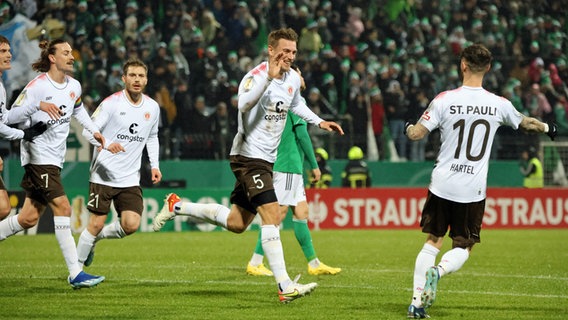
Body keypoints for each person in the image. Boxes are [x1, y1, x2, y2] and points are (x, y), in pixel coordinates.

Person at [152, 28, 344, 303]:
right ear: (270, 49)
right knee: (271, 215)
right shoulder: (255, 76)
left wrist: (319, 121)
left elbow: (297, 105)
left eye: (293, 51)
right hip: (247, 157)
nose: (289, 56)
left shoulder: (291, 78)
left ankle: (177, 206)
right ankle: (285, 286)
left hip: (265, 160)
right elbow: (242, 104)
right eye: (284, 51)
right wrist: (268, 78)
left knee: (237, 223)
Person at [404, 44, 557, 319]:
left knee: (433, 240)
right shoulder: (499, 104)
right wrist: (549, 128)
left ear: (462, 65)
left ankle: (416, 303)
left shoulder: (444, 99)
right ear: (487, 67)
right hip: (471, 189)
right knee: (464, 245)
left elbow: (416, 134)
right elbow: (527, 124)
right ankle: (438, 272)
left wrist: (407, 127)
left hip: (442, 184)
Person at [0, 39, 107, 289]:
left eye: (72, 53)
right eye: (66, 53)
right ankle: (75, 273)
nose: (71, 57)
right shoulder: (37, 87)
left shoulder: (74, 86)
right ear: (52, 57)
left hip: (54, 158)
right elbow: (11, 117)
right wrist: (37, 105)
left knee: (27, 218)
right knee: (63, 207)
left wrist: (95, 132)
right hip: (38, 157)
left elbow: (78, 111)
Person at [246, 65, 341, 277]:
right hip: (288, 164)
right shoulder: (294, 99)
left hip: (290, 165)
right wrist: (314, 165)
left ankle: (314, 263)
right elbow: (303, 135)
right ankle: (255, 262)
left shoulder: (284, 99)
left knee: (301, 212)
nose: (301, 77)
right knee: (276, 215)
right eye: (298, 73)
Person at [76, 58, 162, 270]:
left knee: (131, 224)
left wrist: (155, 165)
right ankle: (75, 269)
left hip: (130, 178)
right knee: (95, 223)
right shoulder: (111, 103)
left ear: (146, 80)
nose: (136, 79)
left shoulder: (152, 107)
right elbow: (88, 131)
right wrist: (106, 144)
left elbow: (152, 137)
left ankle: (95, 240)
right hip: (103, 175)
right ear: (123, 78)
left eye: (141, 76)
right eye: (132, 75)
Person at [0, 35, 52, 220]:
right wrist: (23, 134)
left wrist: (36, 106)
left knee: (3, 208)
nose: (9, 55)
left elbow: (5, 118)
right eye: (3, 51)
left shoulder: (1, 87)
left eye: (9, 50)